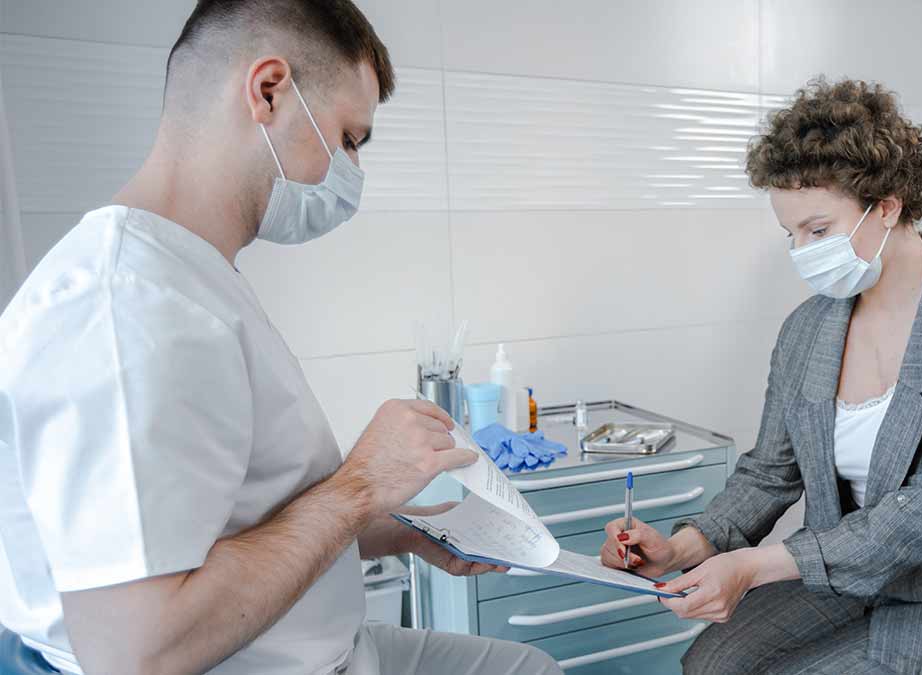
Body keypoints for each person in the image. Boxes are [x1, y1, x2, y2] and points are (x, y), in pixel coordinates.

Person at [0, 1, 561, 673]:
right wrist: (359, 484)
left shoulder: (194, 274)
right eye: (349, 139)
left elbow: (241, 523)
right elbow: (135, 653)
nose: (351, 171)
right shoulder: (125, 307)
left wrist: (402, 525)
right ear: (268, 91)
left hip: (331, 646)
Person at [600, 78, 922, 674]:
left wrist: (753, 566)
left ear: (887, 206)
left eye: (818, 230)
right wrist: (682, 547)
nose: (801, 251)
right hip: (854, 577)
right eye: (791, 234)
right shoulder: (807, 329)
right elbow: (770, 472)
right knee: (709, 667)